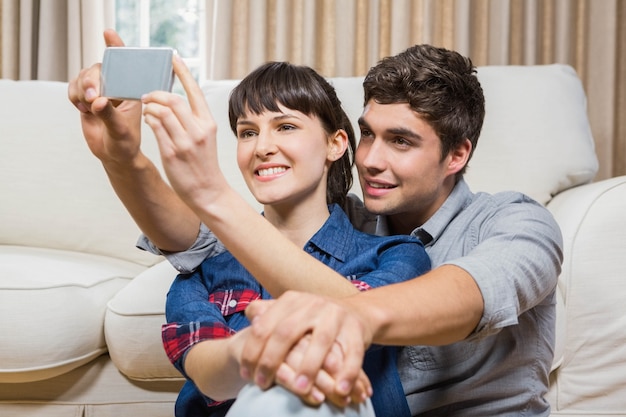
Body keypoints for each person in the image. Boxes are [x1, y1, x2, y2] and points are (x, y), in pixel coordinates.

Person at [69, 29, 563, 416]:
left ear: (457, 154)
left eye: (402, 141)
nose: (371, 159)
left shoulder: (514, 223)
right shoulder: (340, 219)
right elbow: (201, 239)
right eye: (368, 134)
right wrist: (123, 157)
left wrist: (337, 317)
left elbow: (459, 299)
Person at [156, 61, 430, 417]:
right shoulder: (206, 270)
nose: (262, 147)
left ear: (335, 144)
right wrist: (244, 351)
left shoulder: (397, 255)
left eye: (285, 127)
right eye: (248, 132)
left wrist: (211, 192)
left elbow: (367, 319)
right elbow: (206, 375)